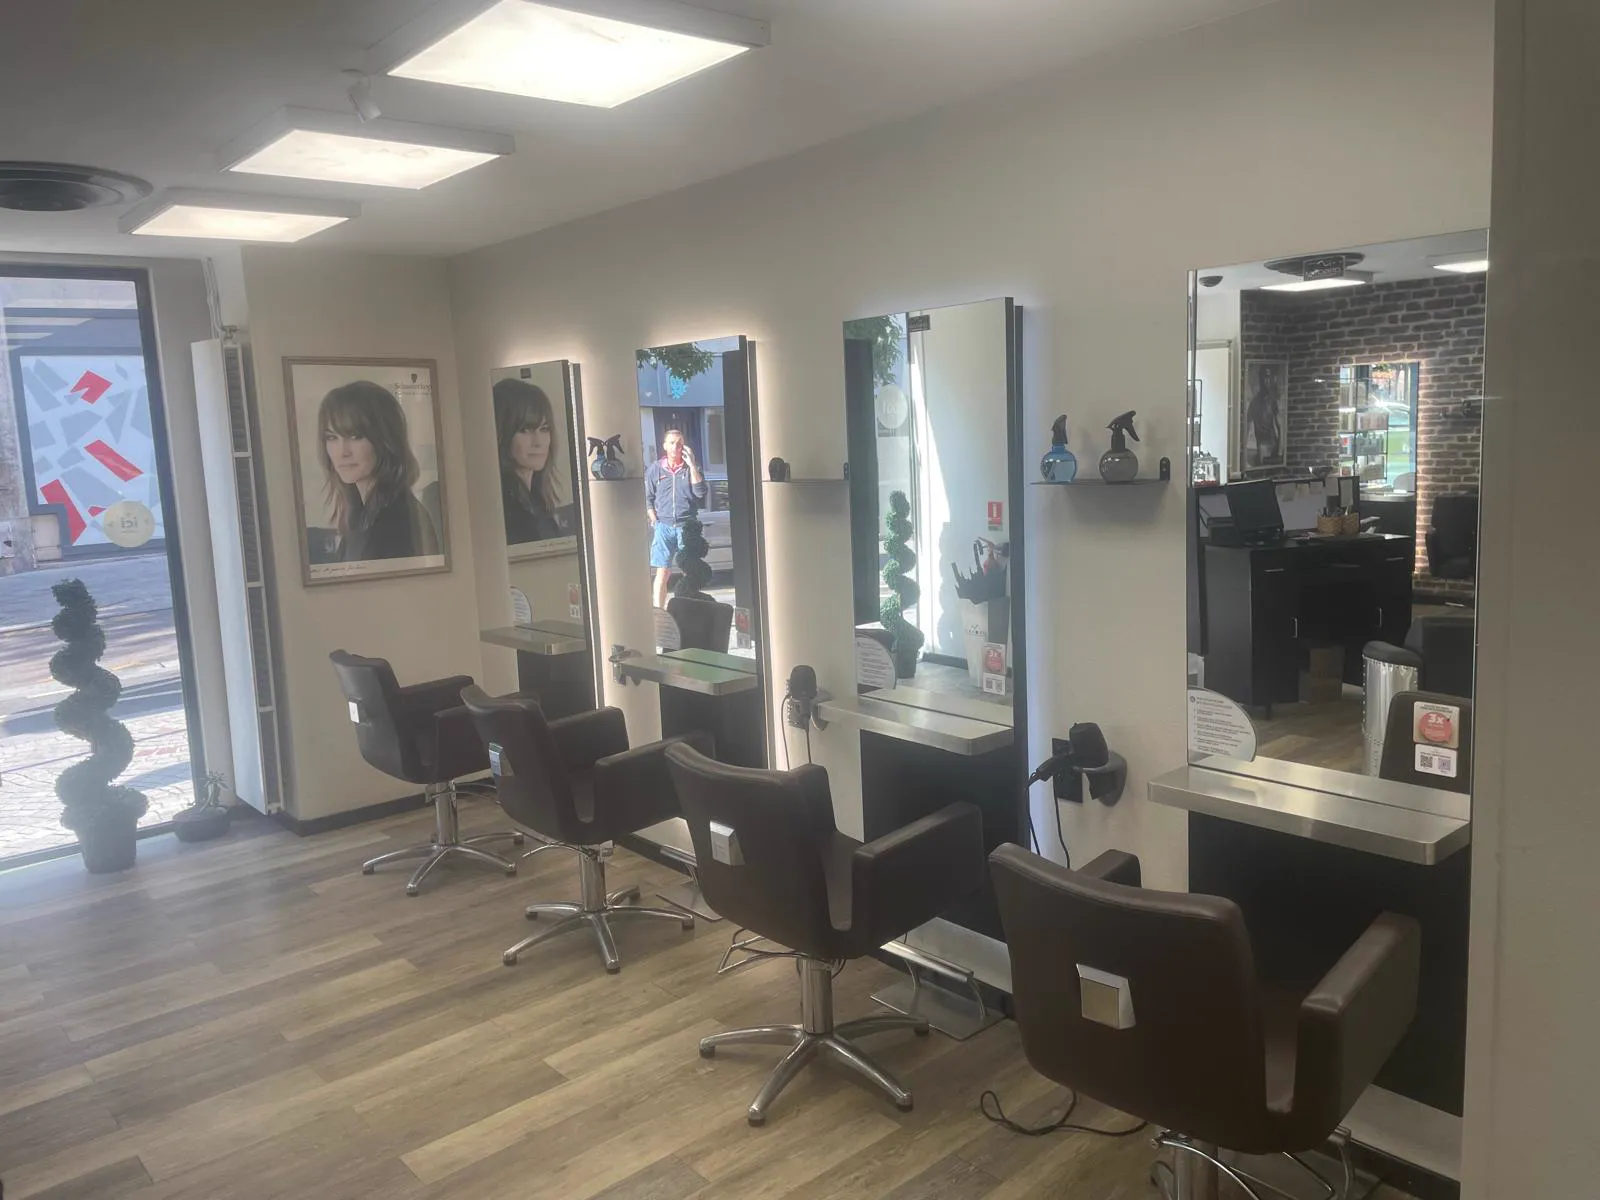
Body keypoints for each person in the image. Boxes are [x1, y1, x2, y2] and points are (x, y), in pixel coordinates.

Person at [315, 380, 440, 564]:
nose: (342, 452)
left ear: (384, 439)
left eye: (355, 436)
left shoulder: (396, 520)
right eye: (332, 437)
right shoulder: (362, 514)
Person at [493, 378, 575, 546]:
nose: (538, 442)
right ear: (502, 434)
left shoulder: (536, 500)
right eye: (525, 430)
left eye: (544, 429)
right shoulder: (506, 508)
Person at [645, 427, 706, 609]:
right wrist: (654, 520)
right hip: (663, 527)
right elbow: (648, 497)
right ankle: (658, 612)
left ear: (684, 447)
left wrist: (692, 465)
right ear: (664, 446)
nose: (675, 447)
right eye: (671, 443)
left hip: (686, 526)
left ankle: (688, 611)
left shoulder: (691, 468)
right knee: (662, 573)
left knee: (689, 572)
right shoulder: (656, 469)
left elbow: (700, 492)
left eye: (679, 444)